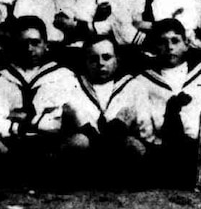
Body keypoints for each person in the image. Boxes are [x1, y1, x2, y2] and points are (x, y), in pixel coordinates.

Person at [0, 17, 78, 173]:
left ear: (46, 45)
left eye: (35, 43)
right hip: (7, 145)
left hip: (48, 144)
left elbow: (61, 119)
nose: (29, 49)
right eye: (23, 44)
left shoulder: (62, 76)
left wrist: (22, 118)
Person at [127, 19, 201, 188]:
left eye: (175, 41)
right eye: (163, 42)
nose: (170, 47)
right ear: (155, 47)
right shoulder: (143, 81)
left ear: (186, 44)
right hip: (161, 147)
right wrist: (156, 143)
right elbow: (144, 121)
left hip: (196, 147)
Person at [58, 35, 146, 185]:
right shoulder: (72, 84)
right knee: (78, 141)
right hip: (87, 149)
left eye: (106, 57)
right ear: (85, 62)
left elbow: (144, 124)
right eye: (93, 59)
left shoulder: (133, 86)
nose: (100, 64)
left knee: (133, 145)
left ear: (117, 60)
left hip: (117, 148)